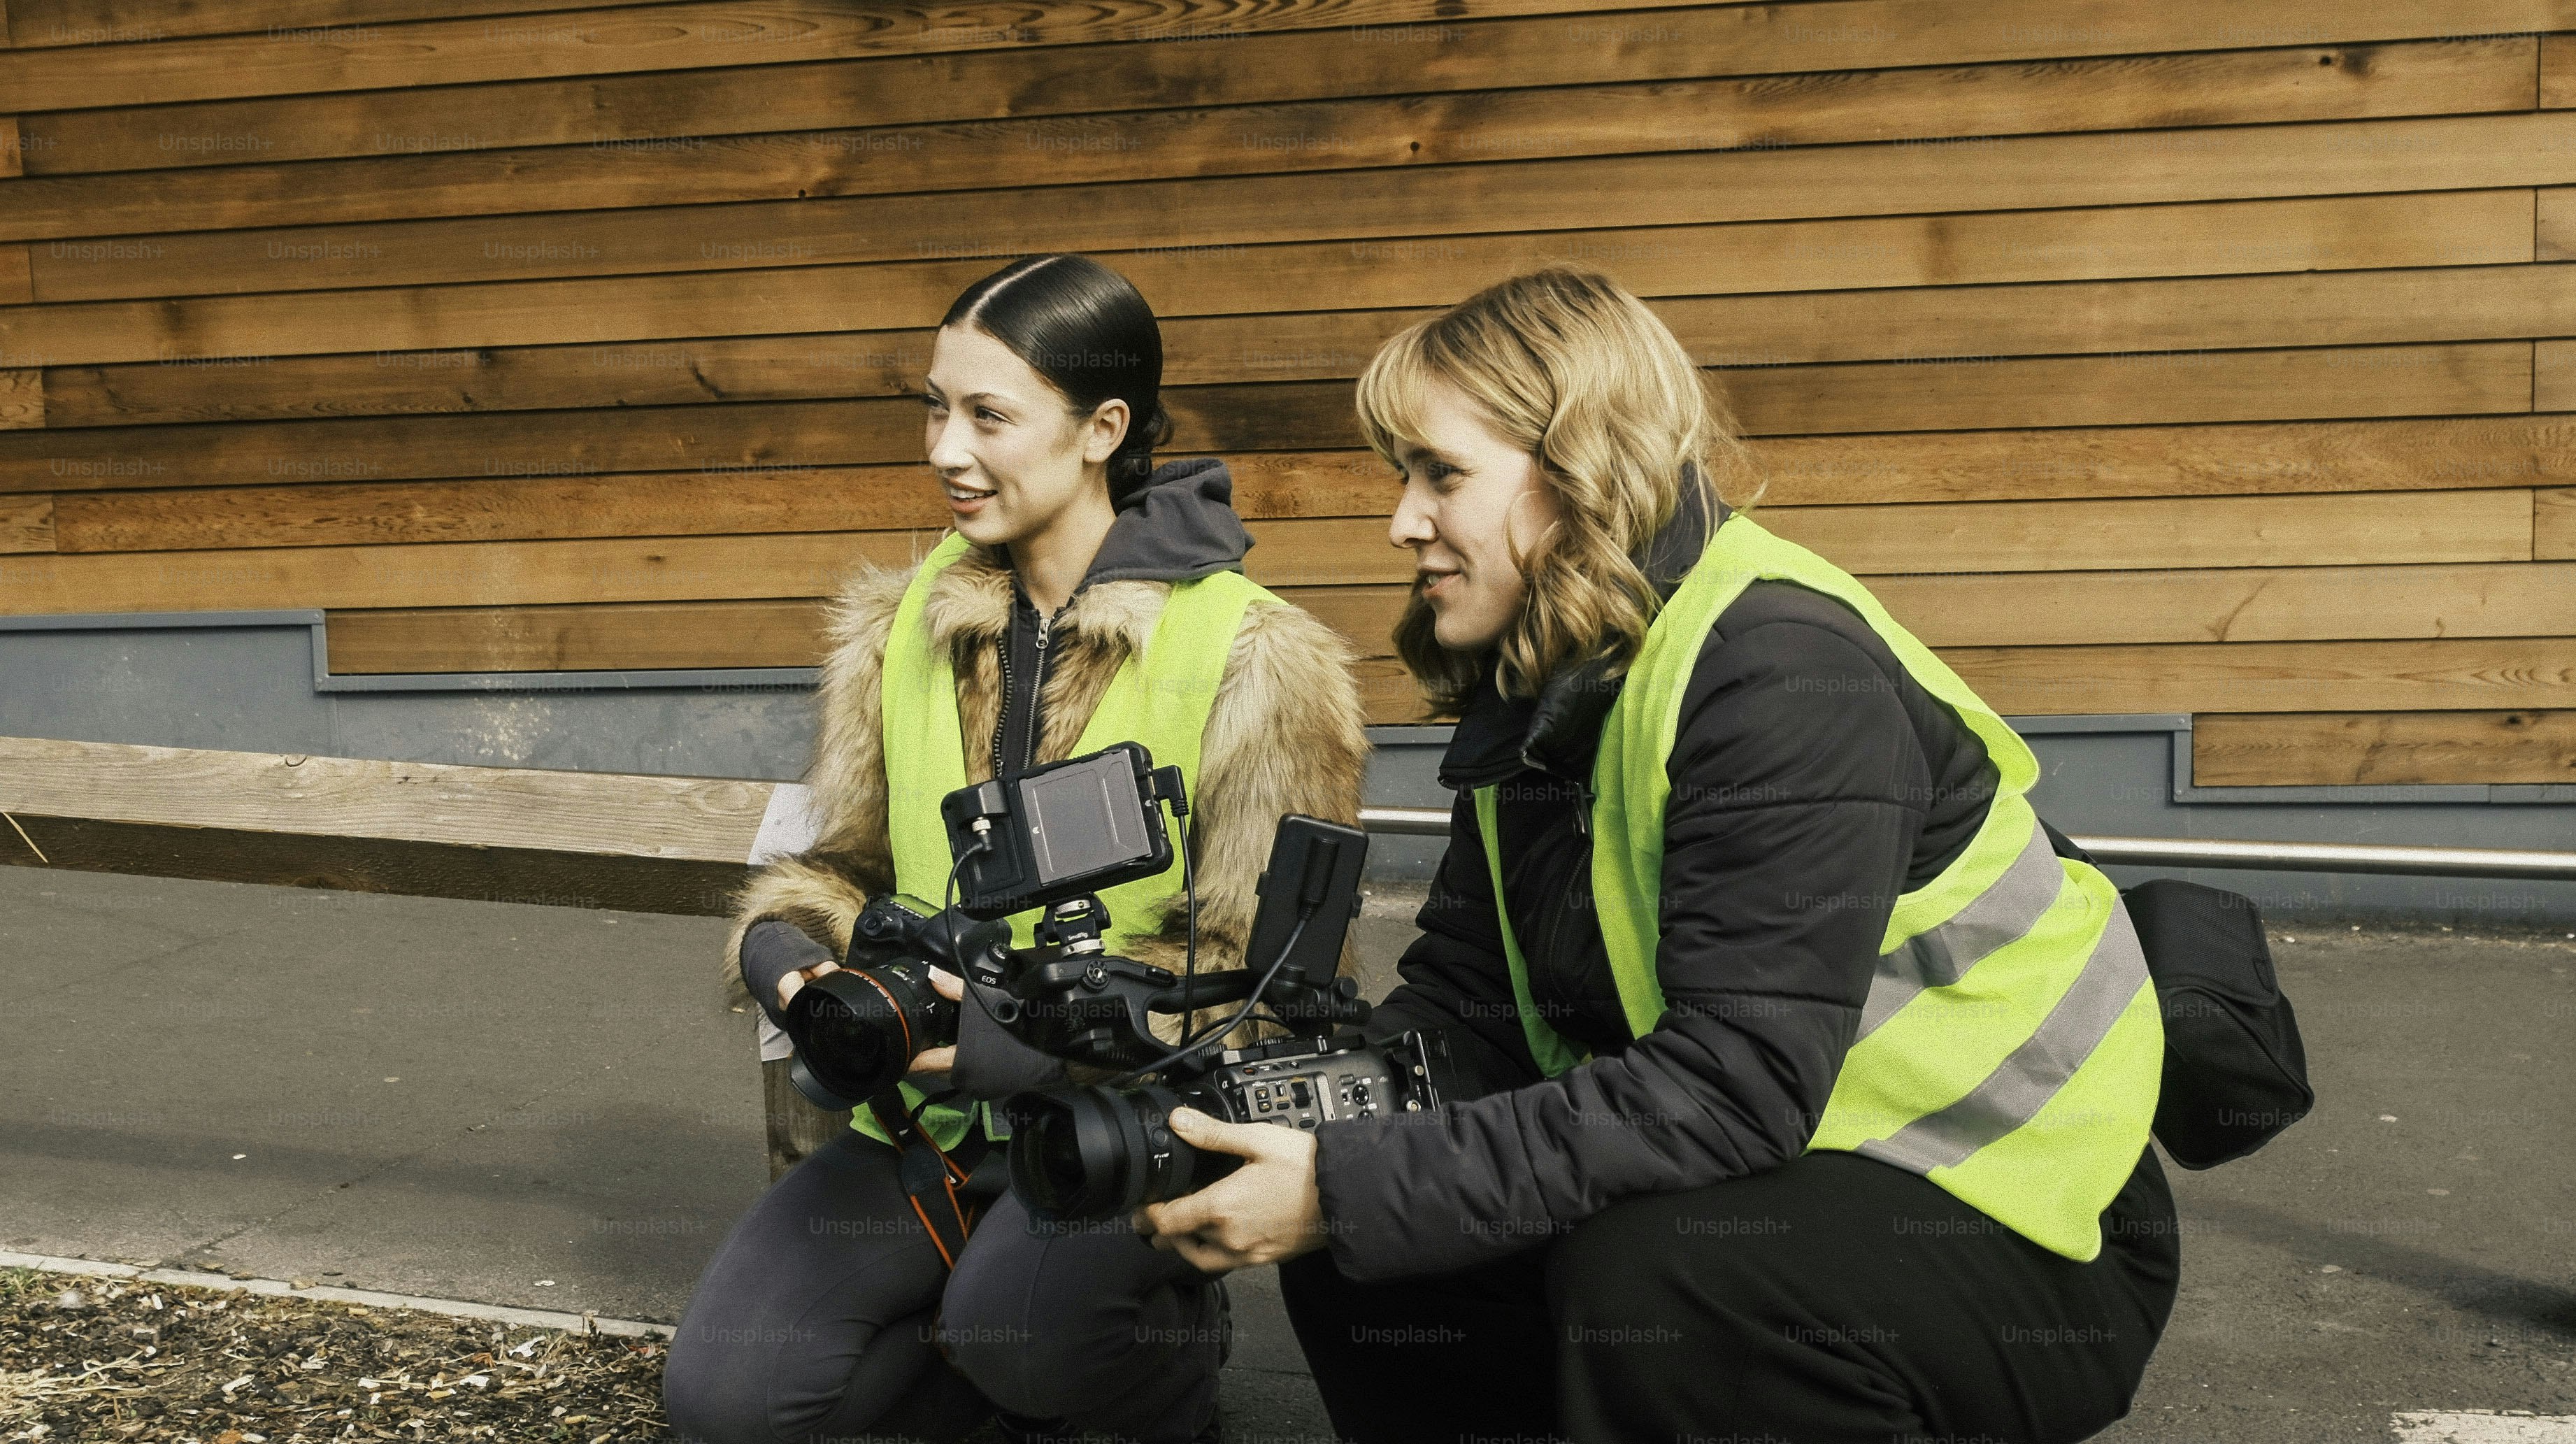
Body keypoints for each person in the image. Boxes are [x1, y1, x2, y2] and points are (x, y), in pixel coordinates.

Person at [1126, 264, 2182, 1444]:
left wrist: (1352, 1187)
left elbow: (1736, 1084)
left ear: (1578, 470)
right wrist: (1274, 1115)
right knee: (1374, 1229)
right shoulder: (1557, 664)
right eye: (1403, 476)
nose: (1403, 520)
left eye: (1443, 474)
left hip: (2024, 1219)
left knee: (1662, 1275)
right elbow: (1471, 1003)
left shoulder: (1778, 667)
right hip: (1817, 1170)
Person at [661, 252, 1371, 1444]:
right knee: (725, 1403)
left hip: (1119, 1131)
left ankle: (1150, 1377)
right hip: (919, 1133)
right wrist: (787, 945)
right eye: (936, 407)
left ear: (1104, 428)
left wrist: (1040, 1046)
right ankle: (1005, 1386)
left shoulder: (1259, 659)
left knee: (1020, 1333)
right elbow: (845, 866)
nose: (946, 448)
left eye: (989, 414)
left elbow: (1278, 989)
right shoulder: (896, 625)